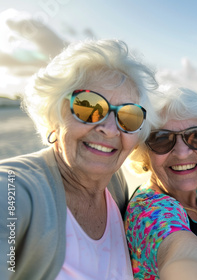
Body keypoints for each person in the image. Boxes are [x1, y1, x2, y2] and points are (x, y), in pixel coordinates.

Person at [0, 39, 158, 279]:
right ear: (54, 114)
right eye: (88, 106)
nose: (109, 129)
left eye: (128, 115)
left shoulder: (115, 187)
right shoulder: (14, 189)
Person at [125, 86, 197, 279]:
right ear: (144, 152)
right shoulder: (150, 211)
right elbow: (181, 256)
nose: (182, 152)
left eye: (196, 137)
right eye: (162, 139)